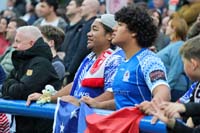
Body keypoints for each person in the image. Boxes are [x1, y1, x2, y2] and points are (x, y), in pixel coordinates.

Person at [81, 5, 170, 115]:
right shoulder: (123, 61)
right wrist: (98, 104)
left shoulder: (149, 60)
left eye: (120, 25)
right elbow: (124, 101)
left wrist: (154, 105)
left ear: (134, 32)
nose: (114, 28)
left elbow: (163, 90)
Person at [26, 14, 124, 107]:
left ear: (110, 35)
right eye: (90, 29)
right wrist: (49, 98)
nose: (88, 34)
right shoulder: (89, 57)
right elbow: (76, 84)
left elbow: (112, 94)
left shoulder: (115, 59)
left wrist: (81, 103)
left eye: (95, 29)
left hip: (95, 119)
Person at [1, 26, 61, 133]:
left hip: (38, 127)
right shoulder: (23, 61)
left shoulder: (41, 64)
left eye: (18, 41)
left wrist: (11, 84)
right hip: (24, 124)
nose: (14, 45)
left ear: (31, 43)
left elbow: (20, 91)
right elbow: (5, 86)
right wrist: (12, 84)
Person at [63, 0, 100, 84]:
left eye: (83, 6)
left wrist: (70, 71)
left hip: (77, 71)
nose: (80, 9)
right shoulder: (83, 25)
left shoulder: (90, 25)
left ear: (92, 8)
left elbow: (81, 50)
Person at [157, 16, 190, 102]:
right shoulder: (171, 44)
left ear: (174, 28)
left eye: (168, 25)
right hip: (170, 88)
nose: (166, 27)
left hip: (174, 89)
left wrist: (164, 91)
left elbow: (175, 71)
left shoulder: (178, 45)